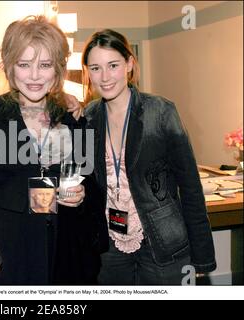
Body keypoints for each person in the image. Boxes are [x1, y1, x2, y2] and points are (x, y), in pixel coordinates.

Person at [82, 29, 217, 285]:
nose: (105, 77)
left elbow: (190, 188)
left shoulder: (161, 112)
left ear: (129, 64)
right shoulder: (88, 118)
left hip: (162, 243)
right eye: (95, 68)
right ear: (87, 72)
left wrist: (202, 258)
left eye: (113, 65)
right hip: (109, 247)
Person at [0, 15, 102, 284]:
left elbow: (91, 180)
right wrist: (43, 194)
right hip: (13, 254)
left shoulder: (71, 116)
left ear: (57, 69)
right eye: (24, 64)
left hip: (68, 256)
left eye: (44, 65)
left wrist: (82, 195)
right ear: (9, 66)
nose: (34, 76)